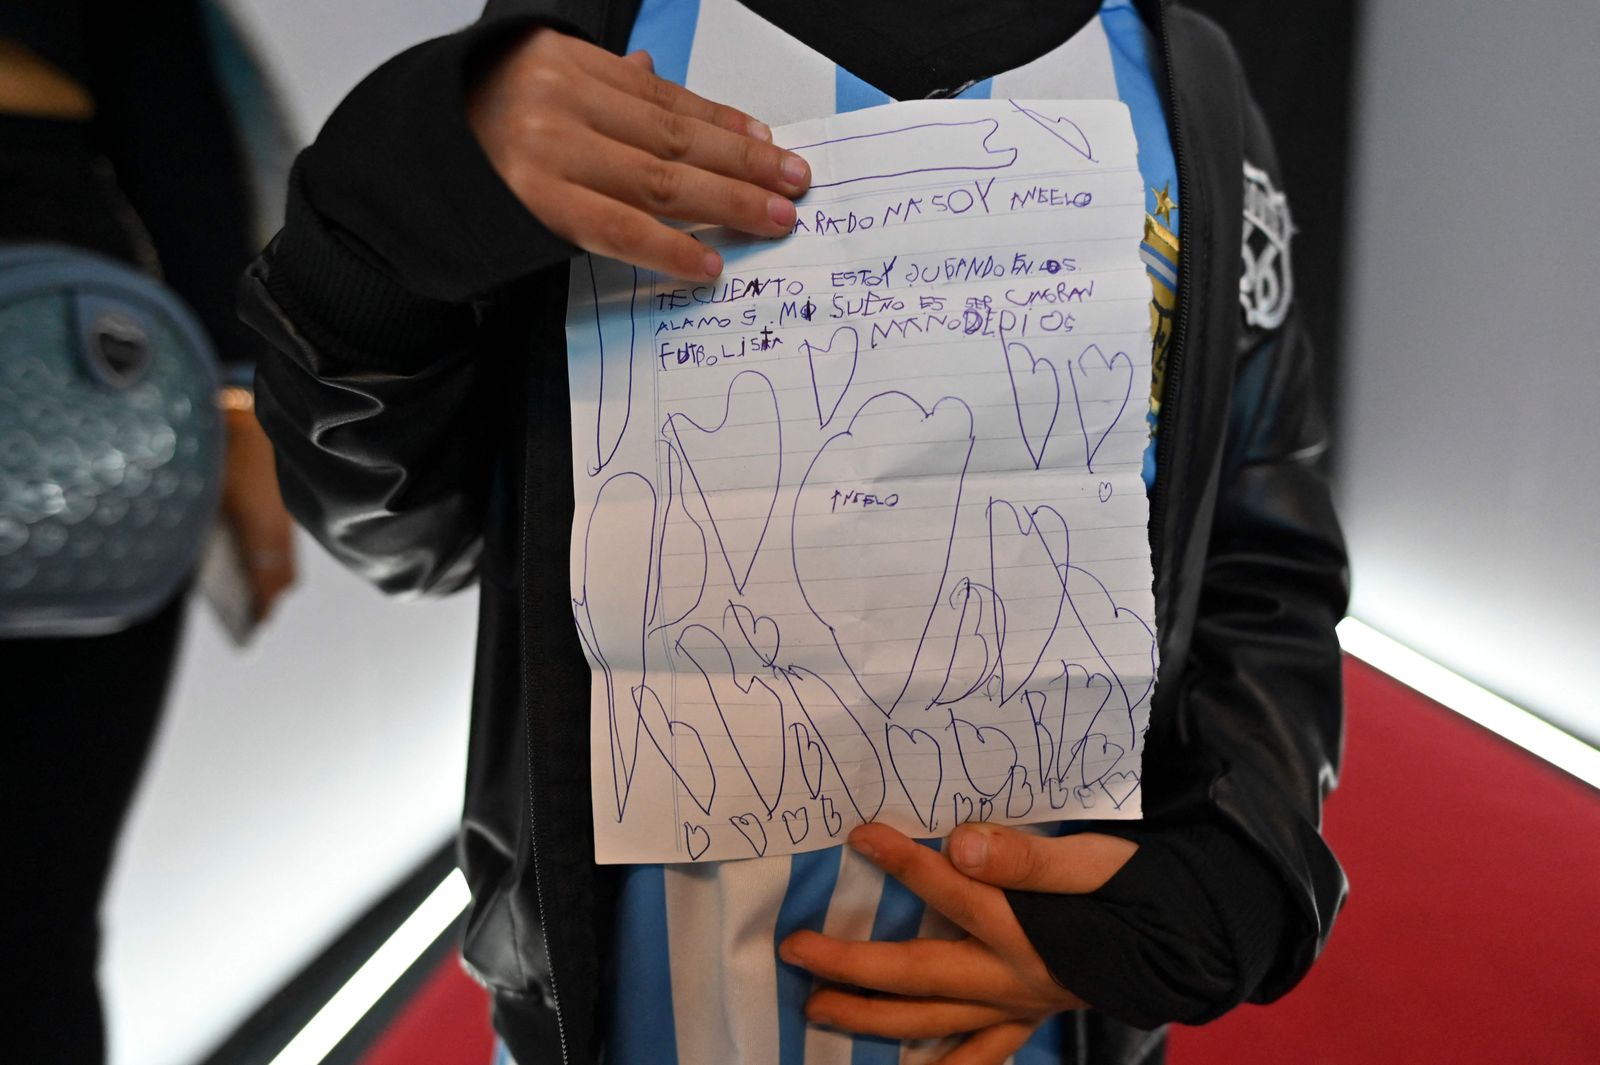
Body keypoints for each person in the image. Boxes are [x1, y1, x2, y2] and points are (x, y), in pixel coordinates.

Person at [239, 1, 1348, 1062]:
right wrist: (389, 214)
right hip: (623, 1021)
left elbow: (1259, 538)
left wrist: (1242, 858)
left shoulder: (1183, 86)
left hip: (1043, 1022)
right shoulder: (592, 49)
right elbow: (405, 530)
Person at [0, 3, 296, 1061]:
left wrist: (234, 394)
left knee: (28, 920)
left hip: (48, 374)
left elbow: (167, 99)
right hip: (56, 351)